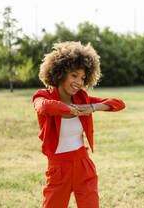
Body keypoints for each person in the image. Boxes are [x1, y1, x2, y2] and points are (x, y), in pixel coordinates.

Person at [32, 41, 125, 208]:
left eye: (82, 78)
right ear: (59, 73)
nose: (79, 82)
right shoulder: (43, 96)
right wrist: (70, 110)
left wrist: (92, 107)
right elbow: (43, 107)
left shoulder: (82, 99)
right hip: (58, 168)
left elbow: (119, 104)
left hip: (84, 164)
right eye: (74, 75)